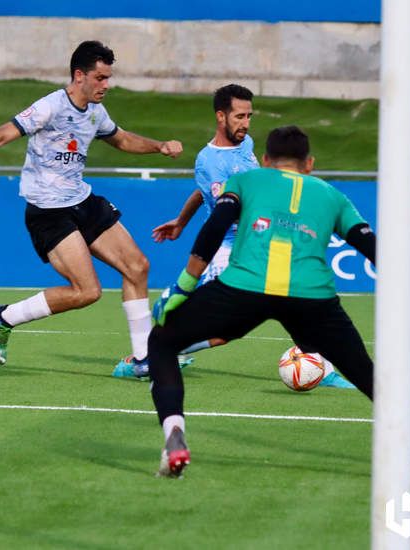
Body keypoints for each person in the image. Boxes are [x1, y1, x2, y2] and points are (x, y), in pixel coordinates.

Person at [147, 125, 410, 484]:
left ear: (265, 160)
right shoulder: (333, 196)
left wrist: (183, 286)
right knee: (370, 377)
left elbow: (214, 227)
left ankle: (174, 439)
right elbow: (376, 251)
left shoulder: (247, 181)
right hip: (312, 299)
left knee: (161, 342)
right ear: (309, 164)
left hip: (243, 289)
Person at [0, 40, 182, 372]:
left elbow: (122, 139)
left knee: (138, 267)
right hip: (48, 211)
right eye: (100, 78)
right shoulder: (50, 107)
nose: (106, 85)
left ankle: (143, 359)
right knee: (87, 292)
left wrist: (160, 147)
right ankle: (4, 316)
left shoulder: (96, 112)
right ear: (79, 75)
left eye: (108, 78)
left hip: (82, 201)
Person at [151, 84, 357, 388]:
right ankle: (149, 357)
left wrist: (181, 220)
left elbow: (201, 192)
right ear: (221, 116)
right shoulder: (209, 161)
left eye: (249, 116)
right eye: (239, 116)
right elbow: (229, 206)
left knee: (295, 296)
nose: (246, 123)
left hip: (255, 243)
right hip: (229, 249)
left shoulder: (245, 144)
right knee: (220, 327)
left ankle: (321, 365)